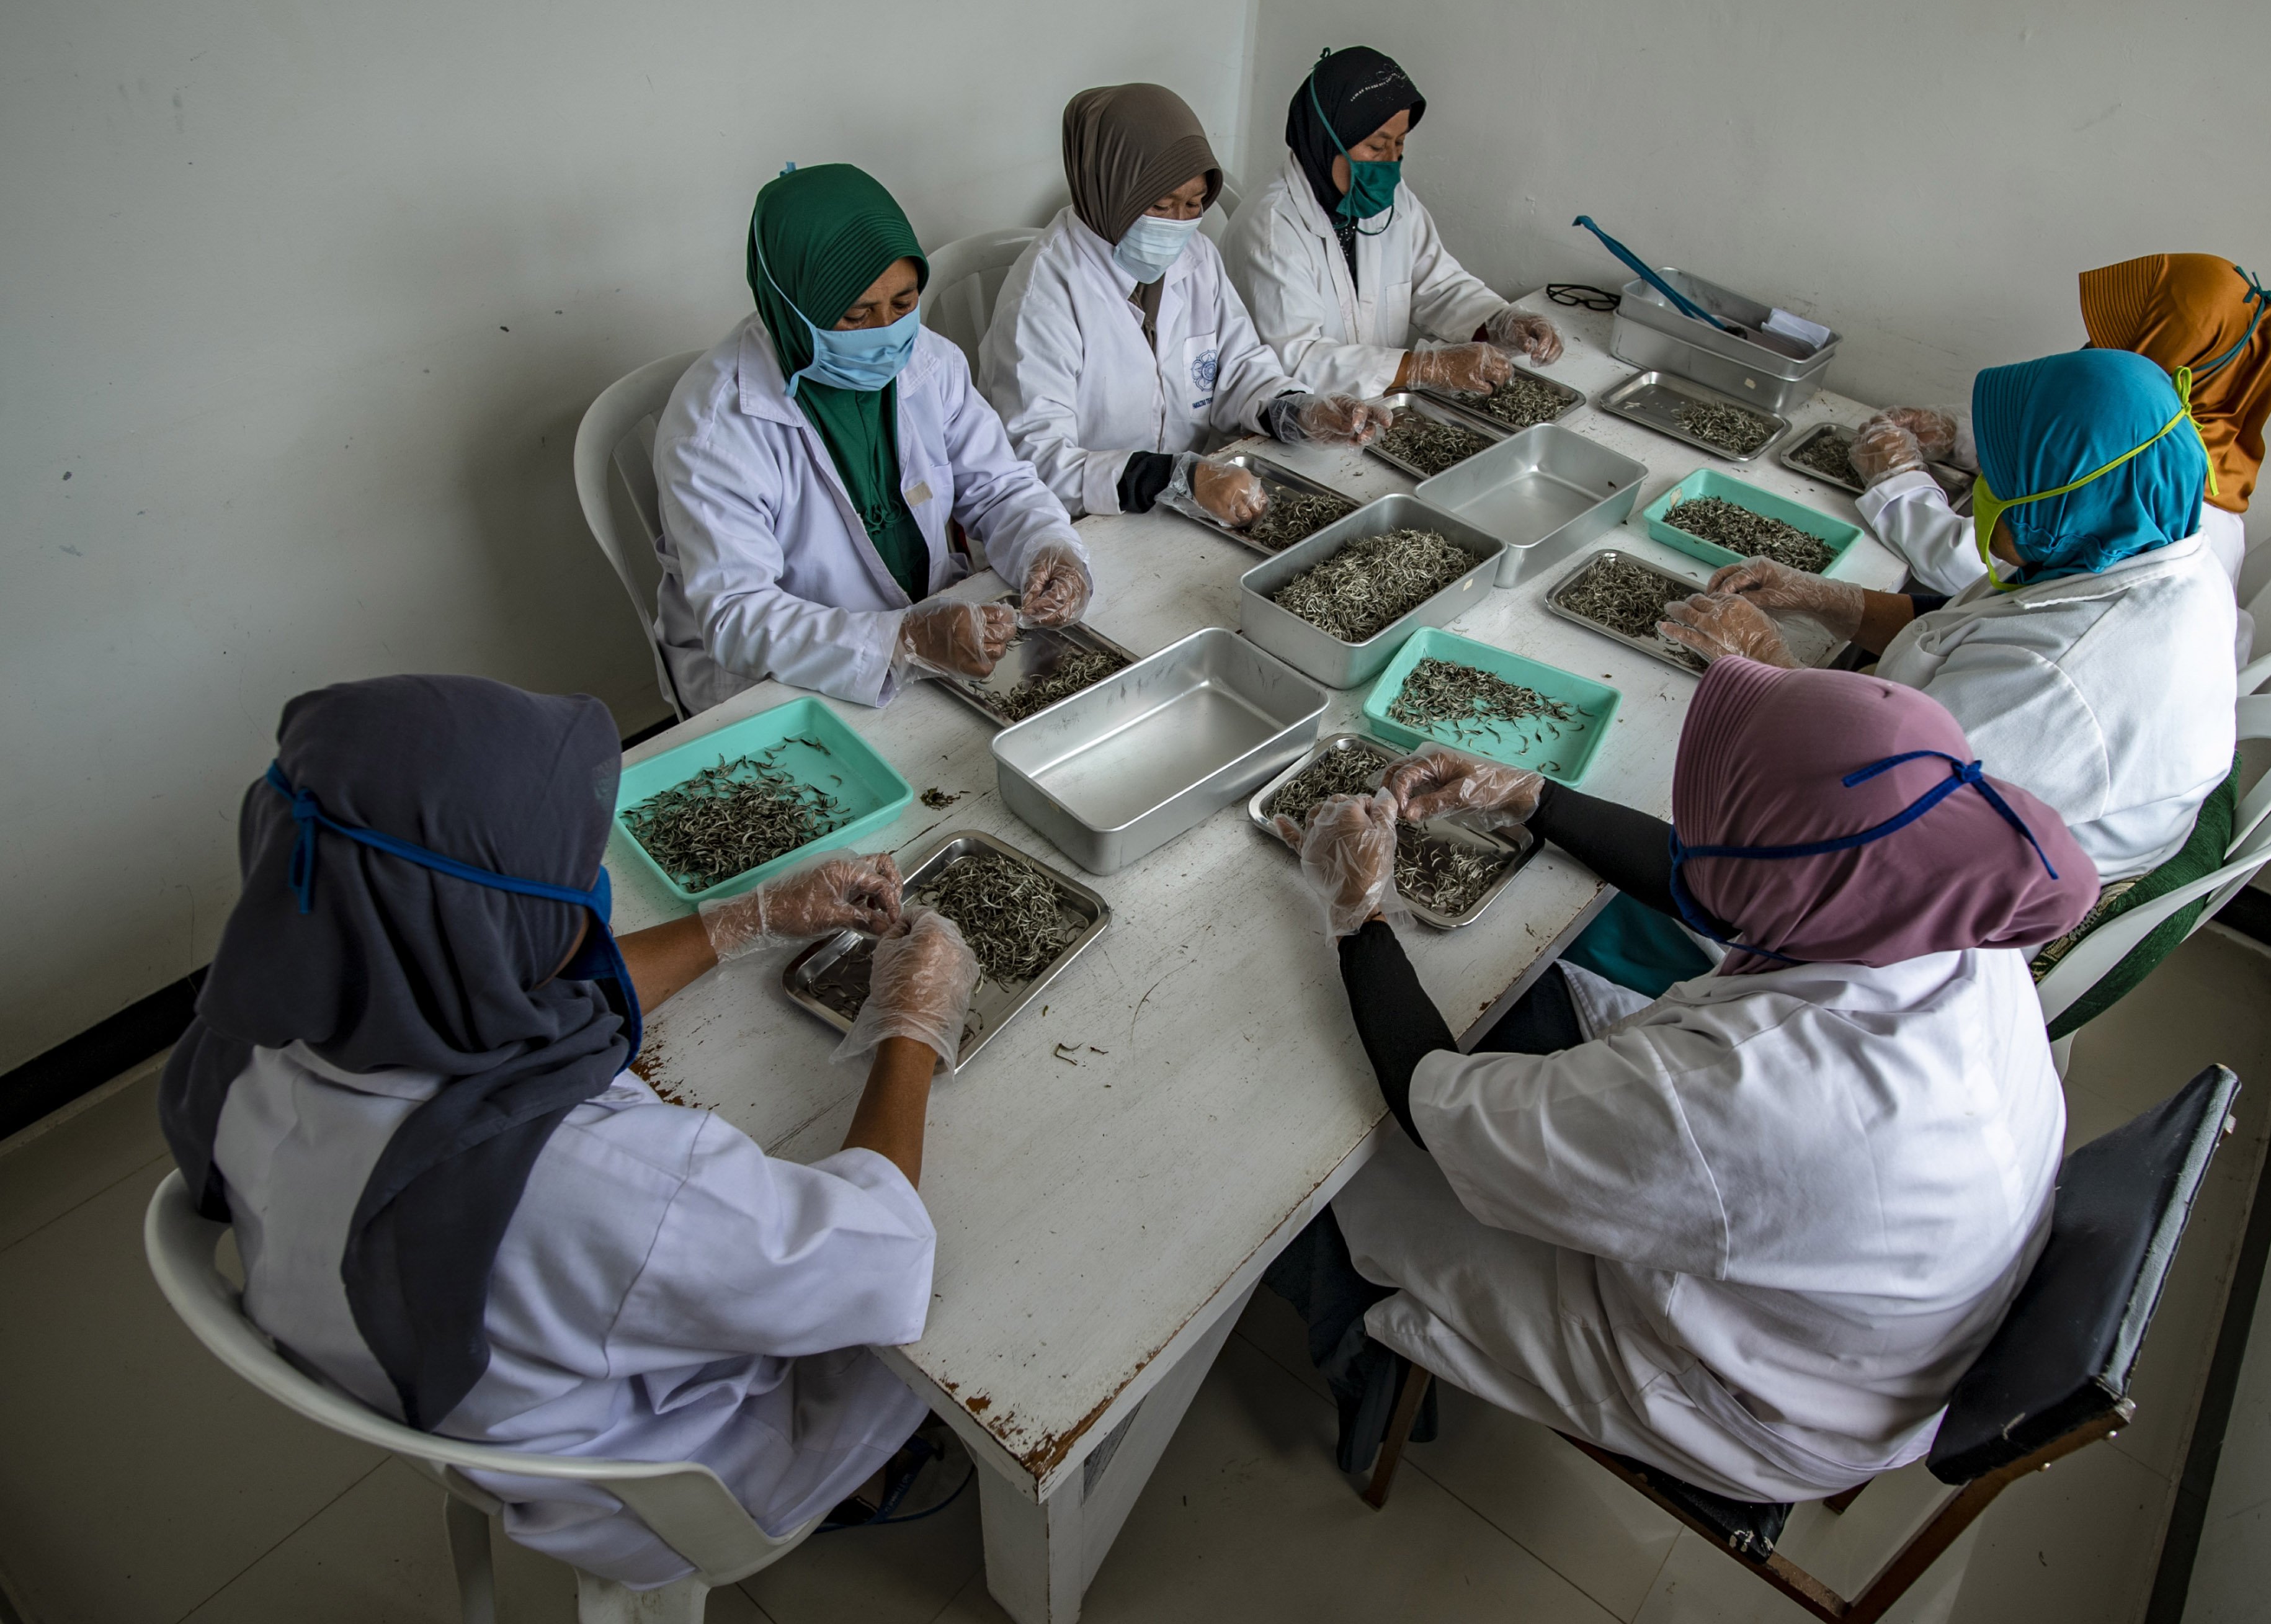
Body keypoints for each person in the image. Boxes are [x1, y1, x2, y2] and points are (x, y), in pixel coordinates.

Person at [157, 674, 983, 1597]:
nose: (592, 895)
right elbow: (880, 1250)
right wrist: (911, 1025)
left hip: (439, 1375)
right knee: (983, 1279)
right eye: (570, 887)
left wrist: (746, 920)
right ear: (486, 933)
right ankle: (868, 1481)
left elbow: (524, 983)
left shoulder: (261, 1021)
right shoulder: (609, 1183)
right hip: (655, 1488)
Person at [1264, 659, 2100, 1501]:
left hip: (1763, 1405)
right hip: (1870, 1315)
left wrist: (1356, 916)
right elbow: (1727, 887)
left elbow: (1432, 1109)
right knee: (1524, 1011)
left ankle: (1358, 1360)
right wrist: (1531, 796)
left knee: (1315, 1165)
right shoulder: (1935, 902)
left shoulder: (1749, 1089)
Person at [1663, 347, 2237, 891]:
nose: (1982, 489)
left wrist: (1760, 666)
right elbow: (1962, 626)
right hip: (1960, 784)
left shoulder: (2057, 680)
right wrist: (1825, 599)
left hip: (1960, 882)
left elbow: (1866, 788)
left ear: (2062, 503)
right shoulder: (2131, 541)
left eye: (2003, 480)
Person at [654, 164, 1095, 716]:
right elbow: (739, 614)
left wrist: (1048, 547)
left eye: (904, 305)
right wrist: (898, 641)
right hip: (780, 688)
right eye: (856, 314)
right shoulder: (714, 427)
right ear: (790, 308)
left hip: (933, 635)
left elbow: (1001, 489)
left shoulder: (929, 362)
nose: (887, 335)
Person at [981, 83, 1390, 526]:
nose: (1179, 226)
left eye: (1194, 205)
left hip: (1183, 506)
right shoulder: (1043, 295)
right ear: (1108, 188)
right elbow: (1038, 460)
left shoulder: (1197, 259)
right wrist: (1171, 476)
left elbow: (1242, 368)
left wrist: (1299, 411)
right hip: (1077, 525)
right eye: (1160, 205)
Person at [1851, 254, 2271, 648]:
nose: (2093, 348)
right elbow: (2067, 461)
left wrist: (1897, 480)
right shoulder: (2193, 449)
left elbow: (1977, 567)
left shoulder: (2184, 509)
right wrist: (1962, 437)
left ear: (2168, 357)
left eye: (2123, 338)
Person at [1220, 46, 1563, 399]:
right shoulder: (1271, 228)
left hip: (1375, 410)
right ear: (1325, 139)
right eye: (1376, 145)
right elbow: (1298, 360)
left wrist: (1499, 321)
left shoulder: (1389, 199)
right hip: (1295, 424)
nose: (1390, 163)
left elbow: (1435, 283)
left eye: (1399, 144)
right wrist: (1422, 368)